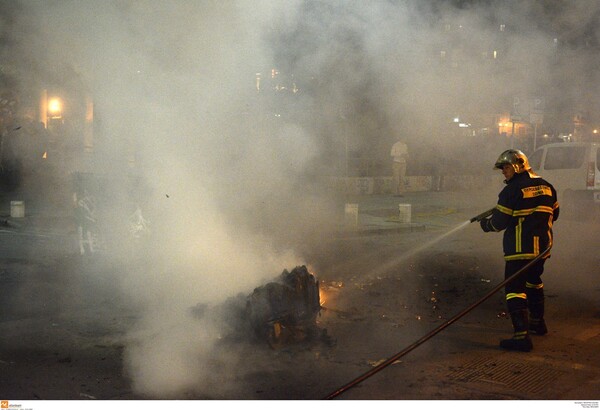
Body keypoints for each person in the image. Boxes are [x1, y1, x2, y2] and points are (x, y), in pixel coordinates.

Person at [480, 149, 559, 352]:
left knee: (514, 289)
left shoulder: (512, 190)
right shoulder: (547, 186)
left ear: (517, 166)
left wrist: (486, 225)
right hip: (542, 248)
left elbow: (499, 223)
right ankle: (537, 323)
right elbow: (555, 213)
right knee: (534, 282)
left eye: (506, 167)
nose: (504, 172)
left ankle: (521, 336)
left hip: (519, 248)